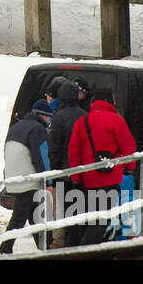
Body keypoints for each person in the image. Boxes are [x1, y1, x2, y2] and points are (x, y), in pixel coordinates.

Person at [67, 88, 137, 246]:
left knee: (92, 219)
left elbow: (74, 153)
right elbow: (128, 148)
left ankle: (86, 247)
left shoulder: (82, 121)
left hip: (88, 181)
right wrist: (130, 167)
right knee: (103, 219)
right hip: (110, 179)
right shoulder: (116, 120)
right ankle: (85, 250)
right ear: (110, 101)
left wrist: (76, 178)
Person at [0, 99, 52, 254]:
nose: (50, 122)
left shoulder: (16, 127)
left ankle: (45, 248)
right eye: (50, 118)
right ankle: (5, 248)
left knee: (34, 216)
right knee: (19, 217)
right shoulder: (37, 129)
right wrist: (48, 180)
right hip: (27, 180)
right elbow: (41, 156)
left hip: (13, 178)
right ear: (44, 116)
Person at [46, 80, 87, 246]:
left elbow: (54, 147)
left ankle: (61, 244)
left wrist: (54, 172)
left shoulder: (59, 117)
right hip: (82, 170)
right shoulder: (85, 115)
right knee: (80, 209)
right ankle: (76, 241)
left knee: (62, 210)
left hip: (63, 172)